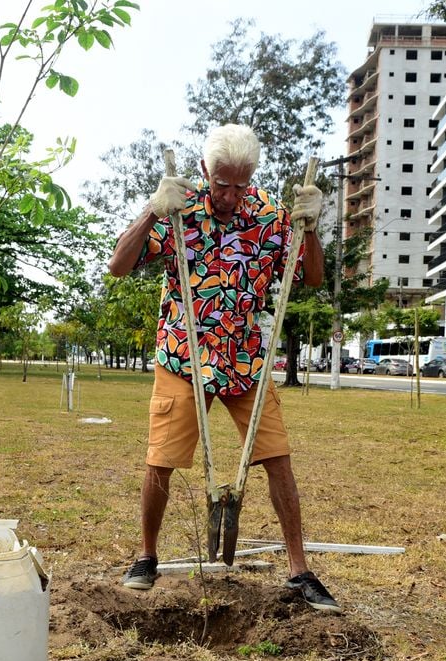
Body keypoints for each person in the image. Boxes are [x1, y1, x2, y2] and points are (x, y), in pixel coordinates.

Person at [106, 124, 339, 613]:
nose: (230, 194)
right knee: (160, 459)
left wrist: (312, 228)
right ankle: (146, 557)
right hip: (183, 356)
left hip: (245, 359)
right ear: (204, 171)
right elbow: (118, 266)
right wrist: (152, 210)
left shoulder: (270, 217)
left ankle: (299, 570)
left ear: (251, 177)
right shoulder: (179, 211)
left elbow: (312, 277)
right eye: (221, 183)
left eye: (240, 183)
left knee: (278, 458)